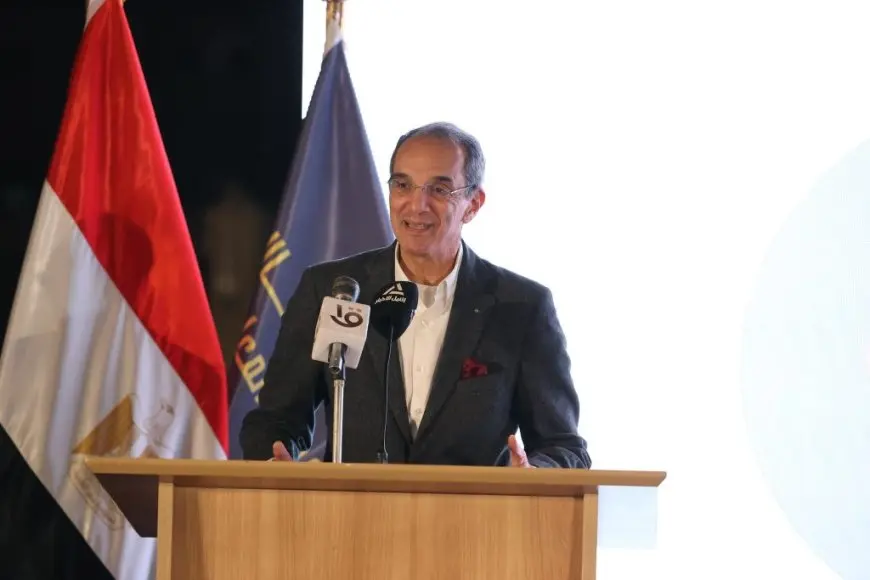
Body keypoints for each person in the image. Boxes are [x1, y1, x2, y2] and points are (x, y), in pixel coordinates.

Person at [239, 122, 591, 468]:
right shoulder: (334, 290)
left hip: (473, 508)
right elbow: (275, 421)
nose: (417, 205)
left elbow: (564, 447)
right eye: (403, 185)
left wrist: (532, 475)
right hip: (354, 506)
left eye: (439, 189)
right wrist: (275, 462)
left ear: (473, 204)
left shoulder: (522, 308)